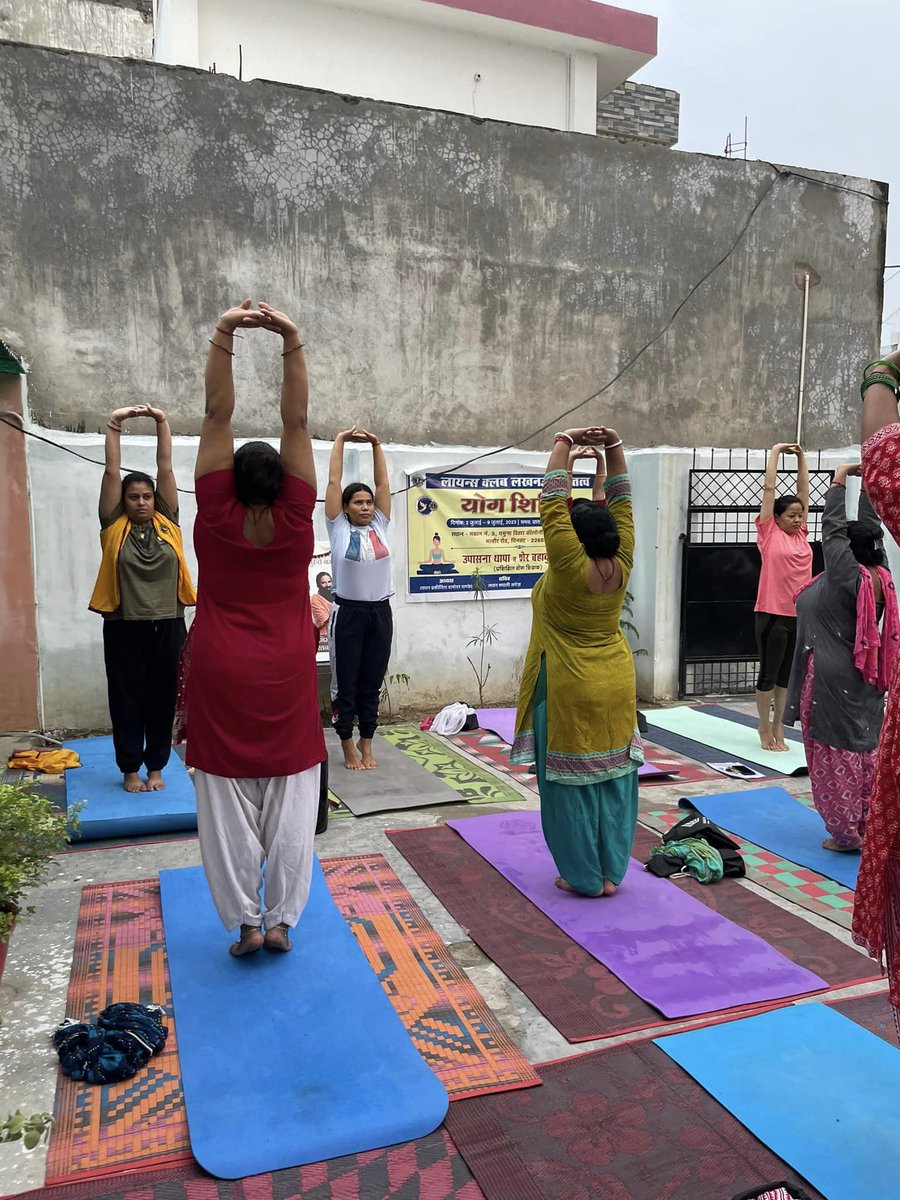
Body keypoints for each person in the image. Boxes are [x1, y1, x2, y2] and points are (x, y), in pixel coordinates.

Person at [185, 298, 324, 957]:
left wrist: (225, 332)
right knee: (294, 792)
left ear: (231, 481)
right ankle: (280, 923)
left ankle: (244, 921)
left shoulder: (214, 513)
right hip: (287, 671)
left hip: (219, 668)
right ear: (285, 483)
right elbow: (295, 417)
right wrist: (289, 337)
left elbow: (217, 415)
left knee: (224, 803)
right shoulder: (298, 519)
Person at [510, 425, 643, 897]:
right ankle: (611, 873)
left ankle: (584, 877)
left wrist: (563, 442)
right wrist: (613, 447)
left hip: (568, 685)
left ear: (576, 536)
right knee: (614, 779)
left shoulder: (568, 566)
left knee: (569, 787)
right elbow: (621, 504)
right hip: (616, 681)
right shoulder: (620, 557)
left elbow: (551, 503)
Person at [783, 463, 898, 853]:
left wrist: (837, 480)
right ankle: (865, 823)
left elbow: (832, 531)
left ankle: (844, 833)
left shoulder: (845, 577)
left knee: (834, 755)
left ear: (845, 553)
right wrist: (865, 485)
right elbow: (870, 529)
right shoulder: (880, 575)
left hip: (832, 678)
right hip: (869, 673)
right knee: (865, 750)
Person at [89, 404, 195, 793]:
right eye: (133, 497)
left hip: (168, 623)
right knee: (126, 699)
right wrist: (114, 425)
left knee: (162, 700)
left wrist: (163, 422)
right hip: (123, 626)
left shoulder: (169, 521)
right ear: (124, 501)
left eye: (147, 496)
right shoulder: (113, 525)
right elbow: (110, 473)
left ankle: (156, 768)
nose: (141, 502)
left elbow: (166, 468)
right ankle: (130, 768)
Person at [852, 350, 900, 1021]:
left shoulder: (860, 577)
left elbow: (880, 452)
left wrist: (882, 372)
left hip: (843, 669)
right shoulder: (867, 579)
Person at [324, 427, 393, 771]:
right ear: (346, 508)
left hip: (379, 612)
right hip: (347, 613)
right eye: (359, 503)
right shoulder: (338, 527)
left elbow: (383, 486)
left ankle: (368, 742)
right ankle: (347, 744)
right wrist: (340, 441)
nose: (366, 506)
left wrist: (376, 445)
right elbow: (334, 482)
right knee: (345, 681)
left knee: (372, 679)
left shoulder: (380, 524)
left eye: (368, 502)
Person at [754, 442, 812, 751]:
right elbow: (769, 488)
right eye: (791, 515)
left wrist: (802, 457)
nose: (798, 519)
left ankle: (779, 728)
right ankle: (763, 727)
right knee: (768, 673)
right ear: (776, 518)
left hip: (798, 616)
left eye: (800, 515)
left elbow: (803, 489)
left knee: (786, 679)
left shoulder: (802, 534)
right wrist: (775, 453)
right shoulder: (769, 533)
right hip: (771, 614)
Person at [311, 570, 333, 652]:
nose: (328, 585)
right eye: (323, 583)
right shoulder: (315, 599)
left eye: (329, 582)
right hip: (324, 642)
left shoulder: (336, 596)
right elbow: (324, 619)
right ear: (318, 585)